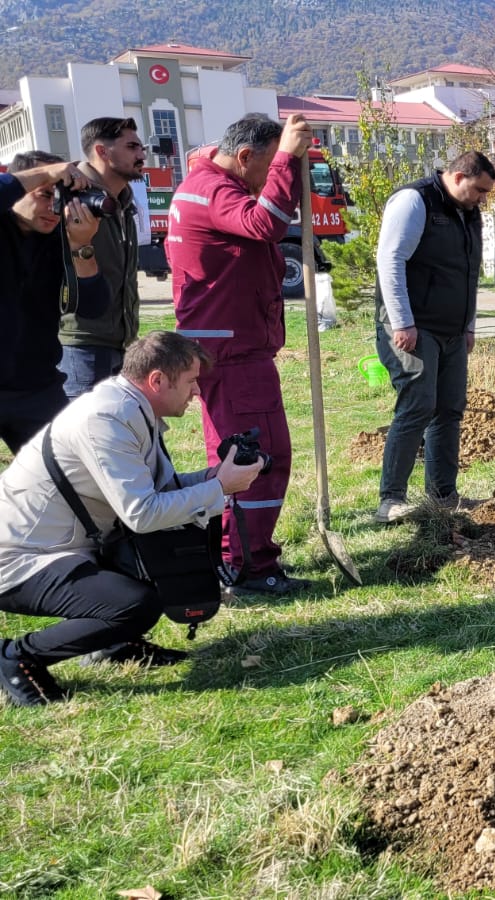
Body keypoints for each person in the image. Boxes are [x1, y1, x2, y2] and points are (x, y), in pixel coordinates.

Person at [0, 331, 263, 706]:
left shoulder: (129, 407)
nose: (196, 393)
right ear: (157, 380)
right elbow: (141, 513)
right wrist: (219, 488)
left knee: (153, 566)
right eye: (190, 382)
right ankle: (18, 656)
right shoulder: (107, 419)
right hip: (18, 559)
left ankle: (113, 645)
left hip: (66, 545)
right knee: (133, 605)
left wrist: (213, 477)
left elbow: (157, 489)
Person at [169, 112, 312, 595]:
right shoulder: (212, 190)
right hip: (234, 353)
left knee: (240, 457)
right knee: (258, 459)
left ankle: (240, 558)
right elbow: (265, 224)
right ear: (245, 156)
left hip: (228, 347)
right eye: (267, 165)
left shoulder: (204, 182)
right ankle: (249, 566)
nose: (270, 176)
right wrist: (290, 161)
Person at [371, 151, 495, 524]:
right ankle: (390, 499)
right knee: (418, 404)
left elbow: (469, 273)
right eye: (478, 190)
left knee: (449, 408)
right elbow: (390, 260)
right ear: (458, 176)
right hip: (414, 326)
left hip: (453, 330)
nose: (482, 199)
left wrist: (469, 325)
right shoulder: (415, 201)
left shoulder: (468, 213)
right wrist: (402, 322)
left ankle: (443, 495)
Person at [1, 152, 110, 453]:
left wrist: (81, 246)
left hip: (37, 386)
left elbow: (93, 306)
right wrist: (53, 172)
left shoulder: (62, 238)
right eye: (45, 193)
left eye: (60, 195)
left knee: (69, 475)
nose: (54, 206)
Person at [59, 118, 146, 399]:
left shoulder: (122, 200)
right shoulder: (66, 195)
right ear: (102, 151)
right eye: (132, 147)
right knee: (86, 438)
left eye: (141, 147)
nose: (142, 155)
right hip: (81, 345)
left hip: (121, 342)